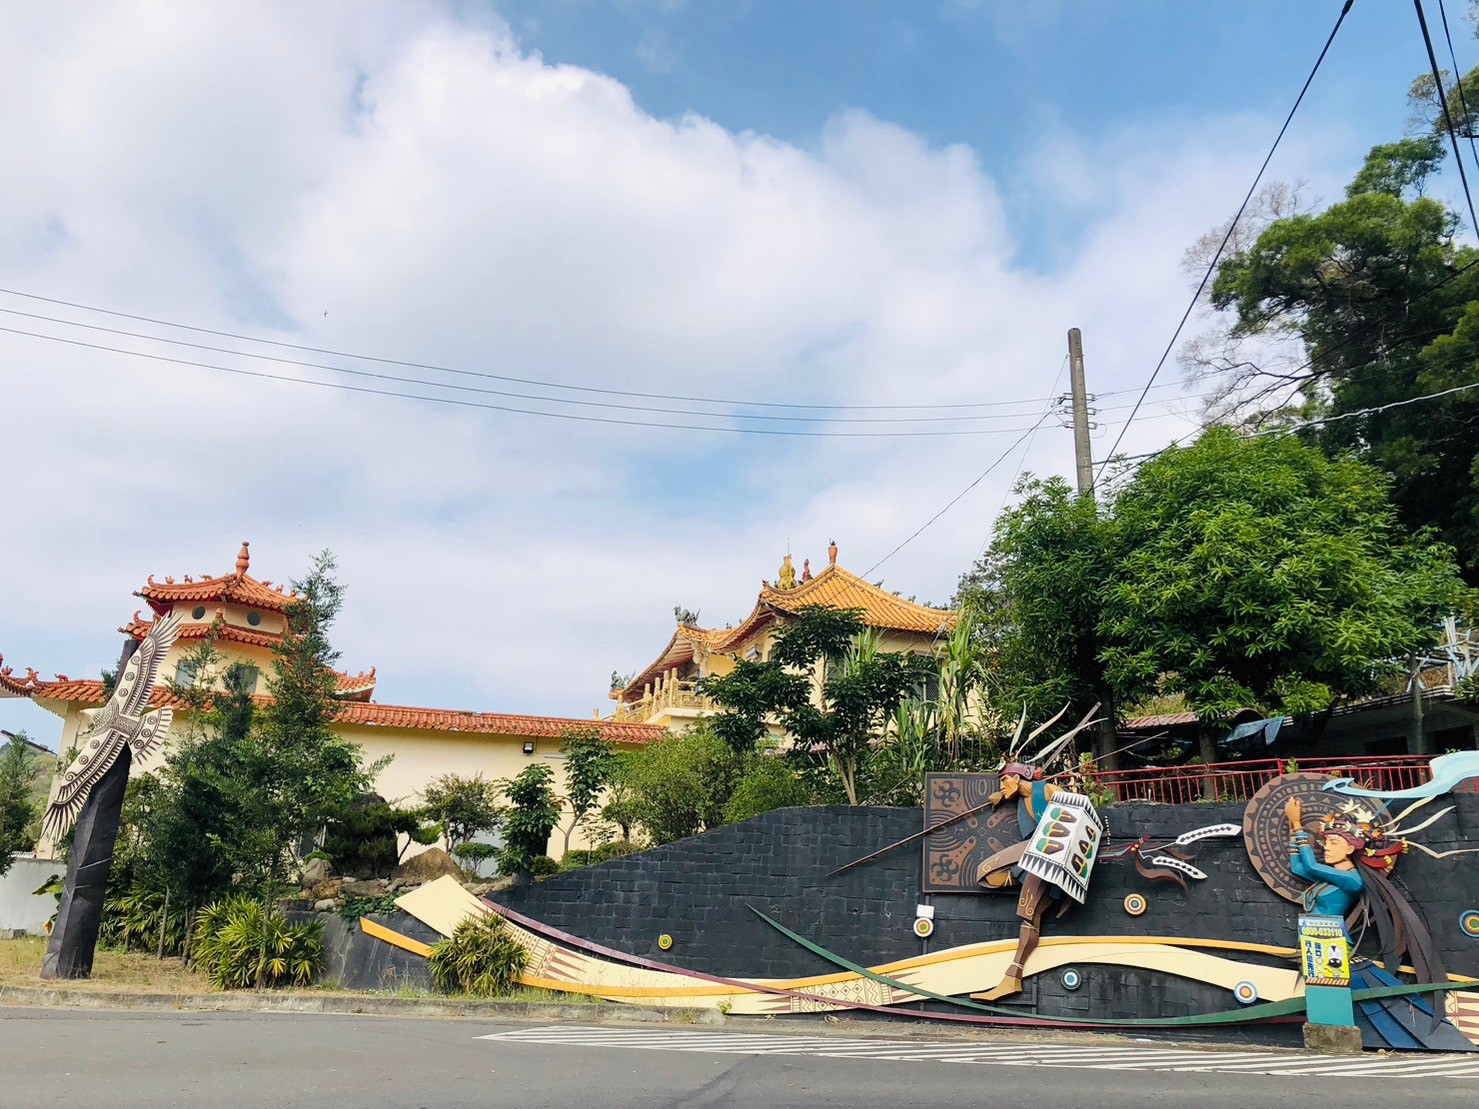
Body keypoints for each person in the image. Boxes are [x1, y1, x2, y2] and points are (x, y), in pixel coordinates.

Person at [975, 762, 1067, 1000]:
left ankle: (1011, 978)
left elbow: (1072, 813)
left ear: (1018, 777)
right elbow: (1009, 795)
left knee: (1027, 913)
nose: (1002, 786)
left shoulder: (1047, 790)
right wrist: (1002, 795)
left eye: (1004, 780)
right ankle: (1013, 979)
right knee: (987, 876)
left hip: (1051, 854)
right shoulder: (1020, 801)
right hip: (1036, 858)